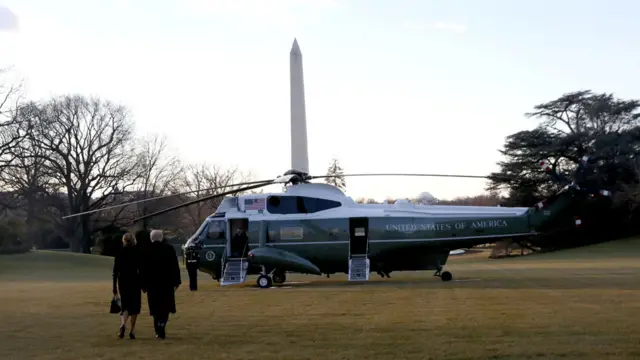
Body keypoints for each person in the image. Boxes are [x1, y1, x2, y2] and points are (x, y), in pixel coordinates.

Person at [141, 229, 182, 339]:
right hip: (166, 283)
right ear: (161, 237)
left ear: (151, 238)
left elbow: (143, 269)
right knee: (166, 306)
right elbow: (174, 266)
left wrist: (143, 284)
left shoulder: (146, 250)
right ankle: (162, 323)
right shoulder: (169, 249)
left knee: (155, 307)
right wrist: (177, 281)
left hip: (152, 284)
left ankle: (158, 330)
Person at [112, 232, 142, 339]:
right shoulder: (137, 252)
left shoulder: (119, 252)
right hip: (135, 280)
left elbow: (115, 271)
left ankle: (123, 324)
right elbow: (141, 269)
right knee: (135, 307)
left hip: (123, 281)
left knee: (125, 305)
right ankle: (132, 330)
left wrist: (114, 287)